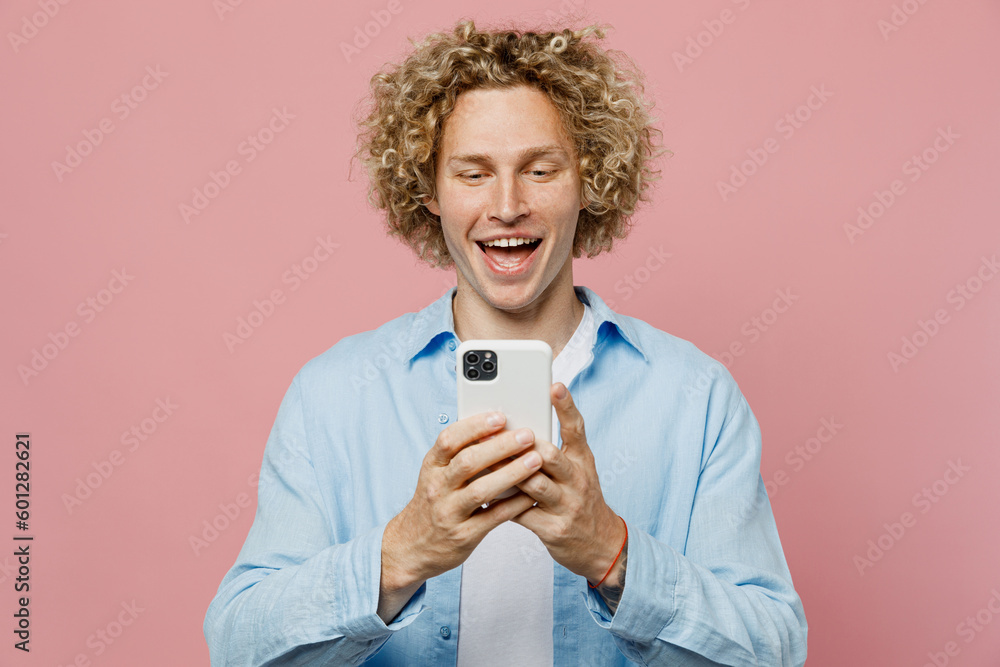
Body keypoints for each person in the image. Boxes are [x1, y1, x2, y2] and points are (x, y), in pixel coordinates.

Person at [204, 18, 808, 666]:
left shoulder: (697, 398)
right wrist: (400, 554)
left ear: (590, 180)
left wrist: (613, 554)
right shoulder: (330, 397)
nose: (507, 204)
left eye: (540, 169)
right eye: (472, 174)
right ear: (428, 190)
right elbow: (239, 646)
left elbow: (773, 650)